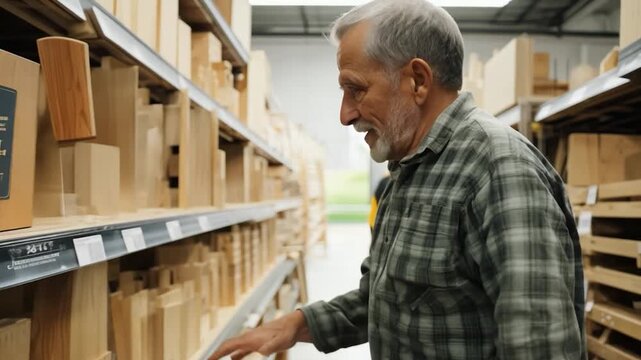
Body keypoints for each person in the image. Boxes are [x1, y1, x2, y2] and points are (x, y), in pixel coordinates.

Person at [210, 0, 585, 359]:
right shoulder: (407, 171)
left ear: (417, 81)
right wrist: (298, 324)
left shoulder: (498, 170)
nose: (345, 114)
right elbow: (388, 300)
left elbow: (539, 346)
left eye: (355, 89)